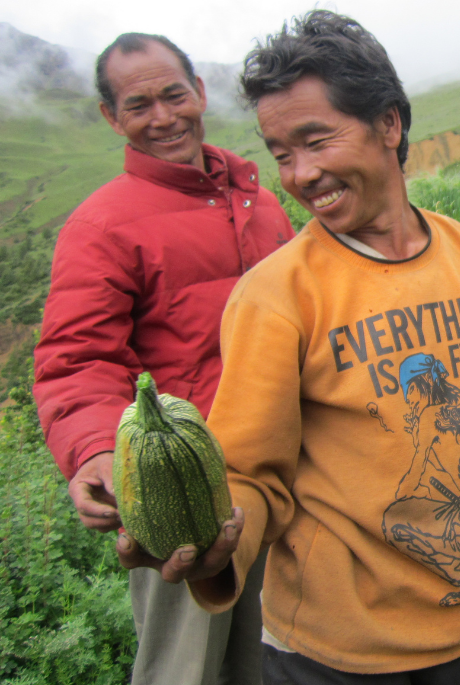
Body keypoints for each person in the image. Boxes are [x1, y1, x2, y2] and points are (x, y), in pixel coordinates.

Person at [115, 11, 460, 684]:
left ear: (388, 124)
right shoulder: (277, 294)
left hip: (453, 628)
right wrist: (218, 543)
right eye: (281, 153)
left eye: (316, 140)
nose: (300, 173)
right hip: (329, 651)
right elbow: (251, 471)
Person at [33, 31, 294, 685]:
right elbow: (77, 357)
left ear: (199, 92)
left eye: (174, 95)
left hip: (284, 476)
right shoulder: (100, 226)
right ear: (111, 117)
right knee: (187, 667)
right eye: (138, 104)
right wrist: (93, 448)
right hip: (186, 493)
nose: (163, 117)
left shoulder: (260, 204)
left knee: (280, 657)